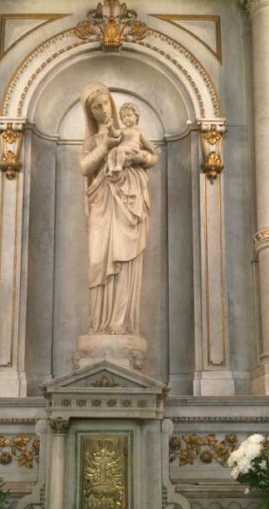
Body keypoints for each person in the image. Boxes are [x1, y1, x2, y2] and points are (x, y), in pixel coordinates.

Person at [79, 83, 159, 335]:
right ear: (90, 113)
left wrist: (138, 158)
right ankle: (98, 324)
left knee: (126, 259)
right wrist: (106, 146)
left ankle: (120, 322)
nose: (103, 110)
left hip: (129, 198)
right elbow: (85, 168)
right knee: (98, 260)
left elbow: (151, 156)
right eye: (96, 107)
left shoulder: (131, 132)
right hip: (102, 200)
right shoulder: (93, 140)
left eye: (105, 104)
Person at [106, 102, 158, 177]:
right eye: (123, 117)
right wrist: (110, 127)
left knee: (120, 149)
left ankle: (119, 166)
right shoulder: (123, 130)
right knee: (112, 152)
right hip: (122, 149)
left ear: (136, 116)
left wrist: (152, 148)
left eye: (129, 115)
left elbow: (146, 142)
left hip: (132, 149)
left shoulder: (139, 131)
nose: (126, 118)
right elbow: (115, 134)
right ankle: (111, 170)